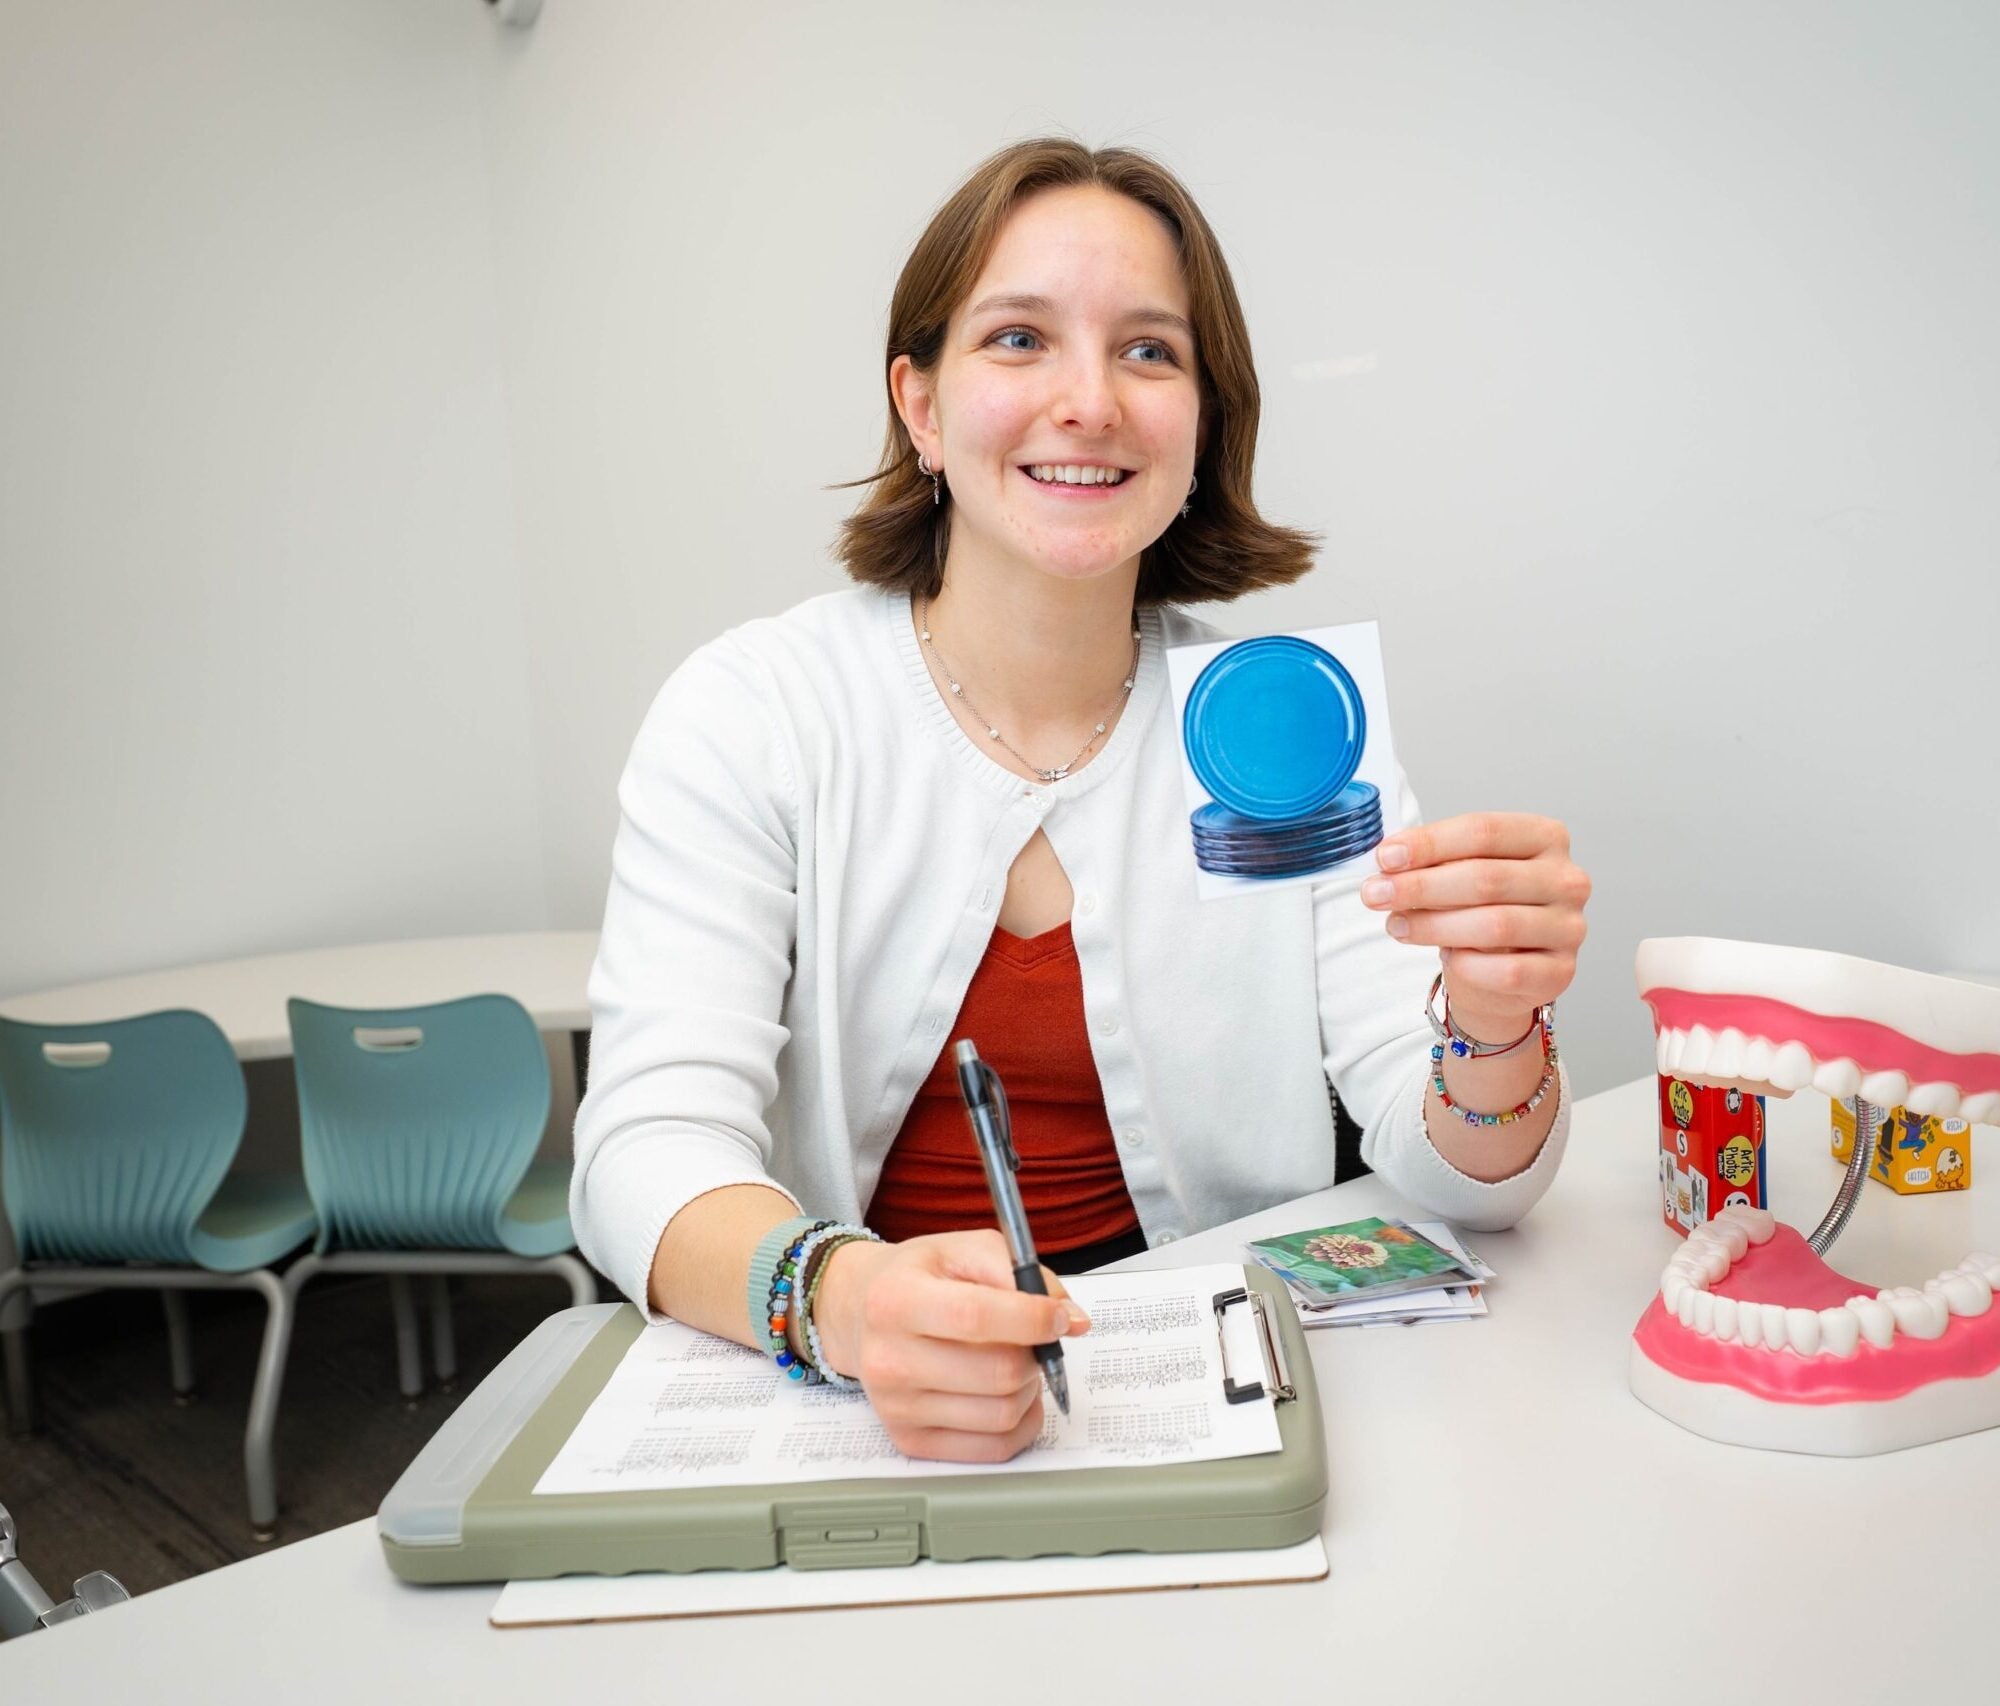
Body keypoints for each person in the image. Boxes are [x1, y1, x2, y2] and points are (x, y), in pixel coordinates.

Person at [570, 137, 1591, 1464]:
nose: (1090, 401)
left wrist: (1492, 1026)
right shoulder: (755, 713)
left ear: (1202, 423)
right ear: (921, 407)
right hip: (862, 1407)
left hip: (1218, 1406)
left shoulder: (1281, 726)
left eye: (1149, 352)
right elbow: (642, 1153)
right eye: (1018, 339)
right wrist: (850, 1303)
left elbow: (1473, 1185)